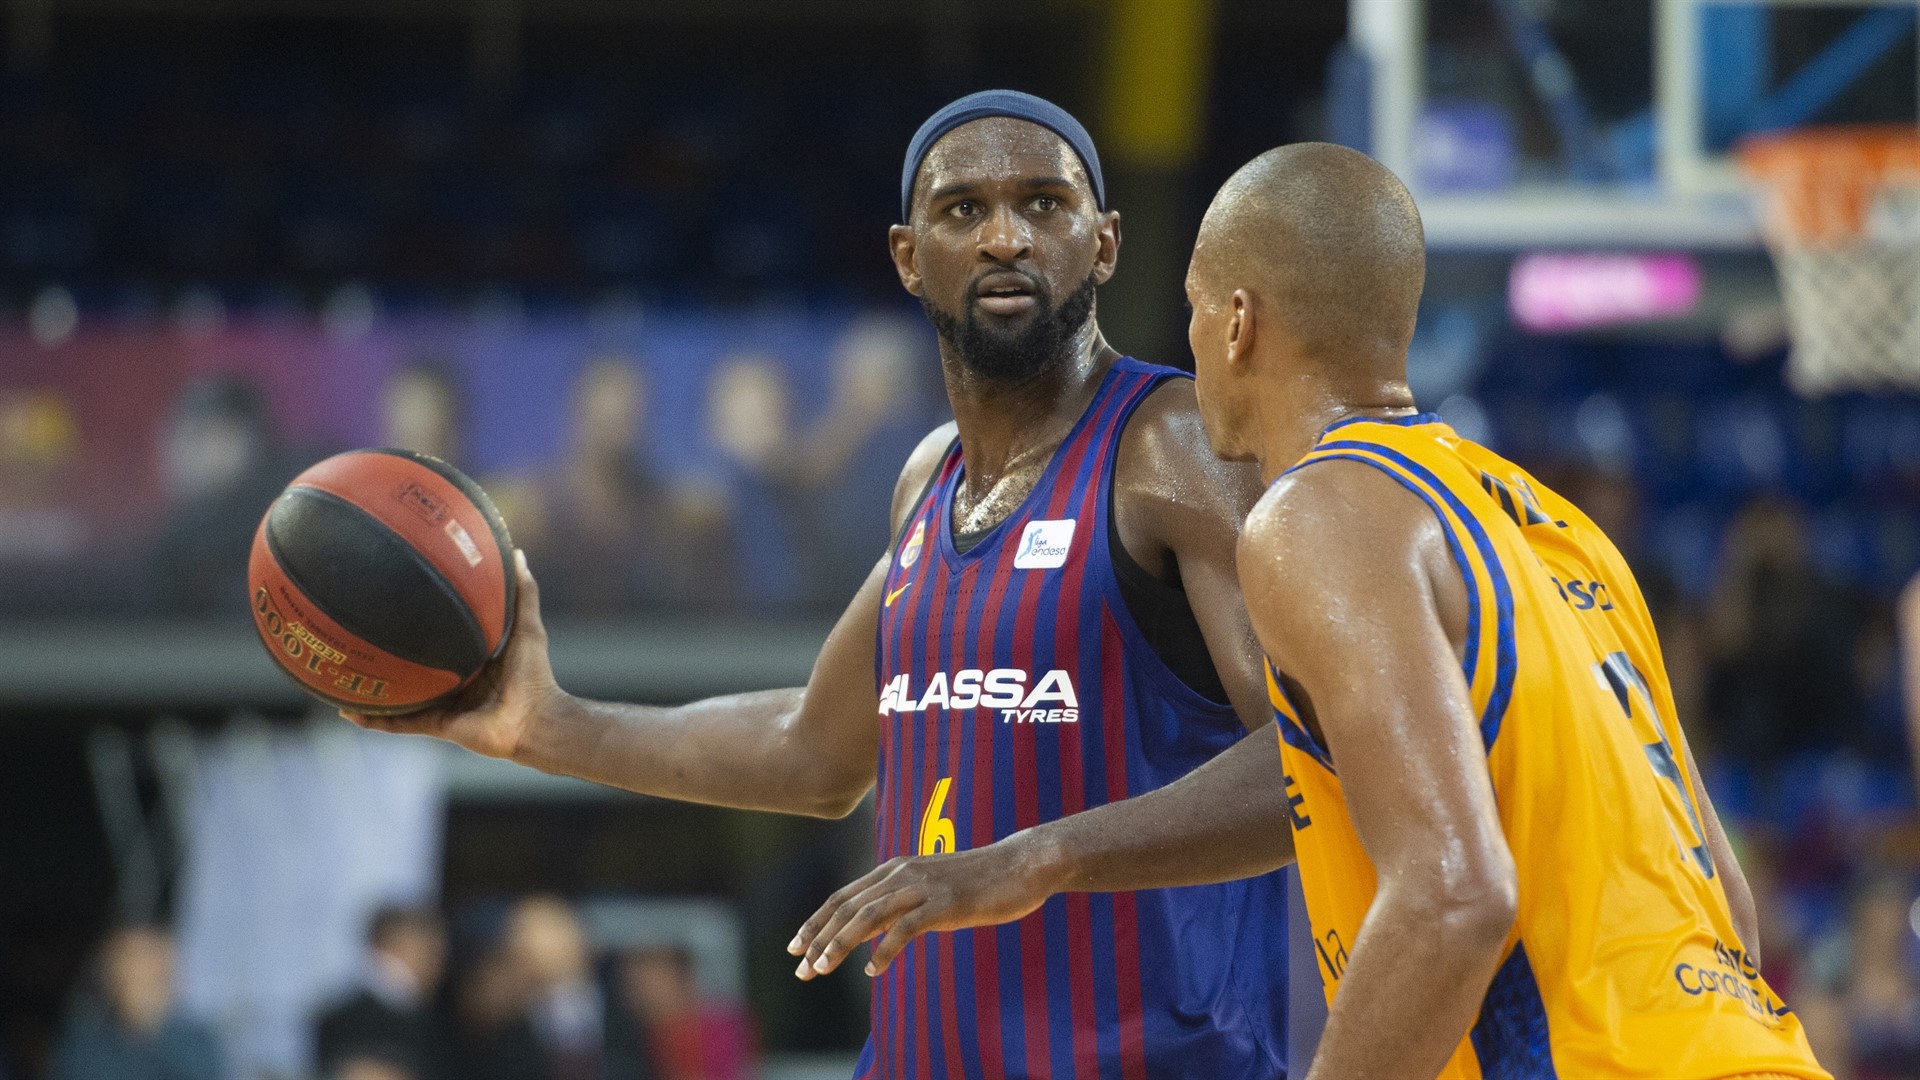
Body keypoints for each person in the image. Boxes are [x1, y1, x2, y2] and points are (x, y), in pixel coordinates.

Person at [347, 90, 1296, 1078]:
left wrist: (1031, 858)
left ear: (1102, 244)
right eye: (963, 210)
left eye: (1045, 205)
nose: (1007, 236)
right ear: (906, 254)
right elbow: (813, 752)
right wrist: (544, 726)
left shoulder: (1175, 449)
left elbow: (1315, 760)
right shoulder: (929, 483)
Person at [1179, 143, 1826, 1076]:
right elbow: (1729, 902)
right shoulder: (1561, 528)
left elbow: (1453, 895)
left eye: (1195, 308)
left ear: (1236, 322)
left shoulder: (1313, 515)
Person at [48, 924, 222, 1080]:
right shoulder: (85, 1040)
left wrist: (150, 1024)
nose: (141, 971)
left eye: (152, 957)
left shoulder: (196, 1042)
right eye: (130, 958)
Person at [314, 905, 450, 1080]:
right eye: (430, 949)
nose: (438, 963)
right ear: (395, 943)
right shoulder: (407, 1021)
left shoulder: (333, 1014)